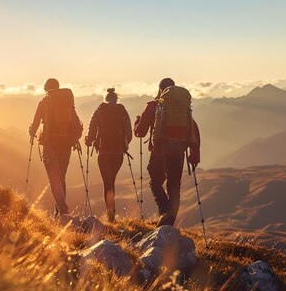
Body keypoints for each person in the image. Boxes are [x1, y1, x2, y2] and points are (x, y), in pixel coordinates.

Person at [134, 78, 201, 226]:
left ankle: (164, 210)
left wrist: (137, 123)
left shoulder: (153, 106)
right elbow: (193, 129)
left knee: (155, 182)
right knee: (174, 185)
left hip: (159, 151)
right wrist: (195, 153)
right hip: (179, 150)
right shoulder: (184, 109)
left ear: (160, 90)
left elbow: (140, 132)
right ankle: (168, 221)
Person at [29, 78, 82, 216]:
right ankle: (59, 211)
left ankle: (62, 210)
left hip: (50, 145)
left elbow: (35, 123)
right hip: (66, 144)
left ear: (47, 89)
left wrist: (31, 132)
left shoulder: (44, 103)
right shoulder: (68, 102)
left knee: (54, 178)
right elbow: (76, 122)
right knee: (61, 177)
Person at [85, 88, 132, 221]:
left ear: (106, 99)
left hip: (104, 152)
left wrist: (89, 141)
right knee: (112, 181)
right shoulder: (122, 111)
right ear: (116, 99)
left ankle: (110, 215)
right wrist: (124, 145)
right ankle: (111, 214)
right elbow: (129, 132)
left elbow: (92, 127)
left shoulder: (100, 110)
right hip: (118, 153)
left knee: (108, 182)